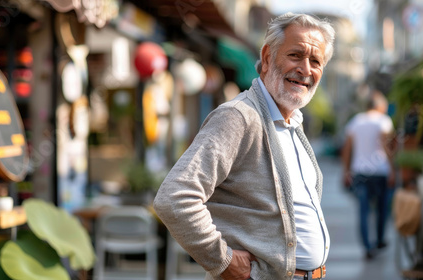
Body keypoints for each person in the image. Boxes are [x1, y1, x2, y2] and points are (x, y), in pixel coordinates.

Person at [154, 13, 335, 280]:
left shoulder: (292, 123)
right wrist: (223, 260)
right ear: (267, 57)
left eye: (315, 61)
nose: (306, 69)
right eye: (295, 55)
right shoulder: (239, 117)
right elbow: (175, 197)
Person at [341, 90, 395, 260]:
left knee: (363, 211)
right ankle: (379, 240)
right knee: (381, 209)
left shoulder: (355, 121)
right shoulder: (384, 121)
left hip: (360, 173)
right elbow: (386, 147)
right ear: (380, 106)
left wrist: (346, 171)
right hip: (380, 171)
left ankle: (367, 247)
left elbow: (347, 149)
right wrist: (393, 169)